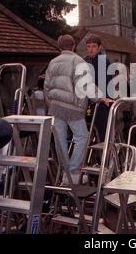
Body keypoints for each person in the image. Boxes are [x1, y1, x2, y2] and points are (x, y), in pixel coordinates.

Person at [44, 35, 110, 184]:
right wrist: (100, 98)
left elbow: (46, 87)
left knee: (59, 139)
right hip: (73, 107)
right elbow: (85, 85)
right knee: (82, 137)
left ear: (59, 47)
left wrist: (51, 103)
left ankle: (65, 172)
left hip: (56, 107)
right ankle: (73, 171)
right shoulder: (78, 61)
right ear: (73, 46)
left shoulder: (52, 63)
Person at [84, 35, 112, 142]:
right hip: (90, 100)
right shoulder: (86, 61)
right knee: (90, 129)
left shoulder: (103, 61)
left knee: (102, 131)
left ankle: (105, 155)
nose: (91, 49)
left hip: (101, 101)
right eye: (88, 46)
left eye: (94, 46)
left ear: (100, 47)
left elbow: (104, 83)